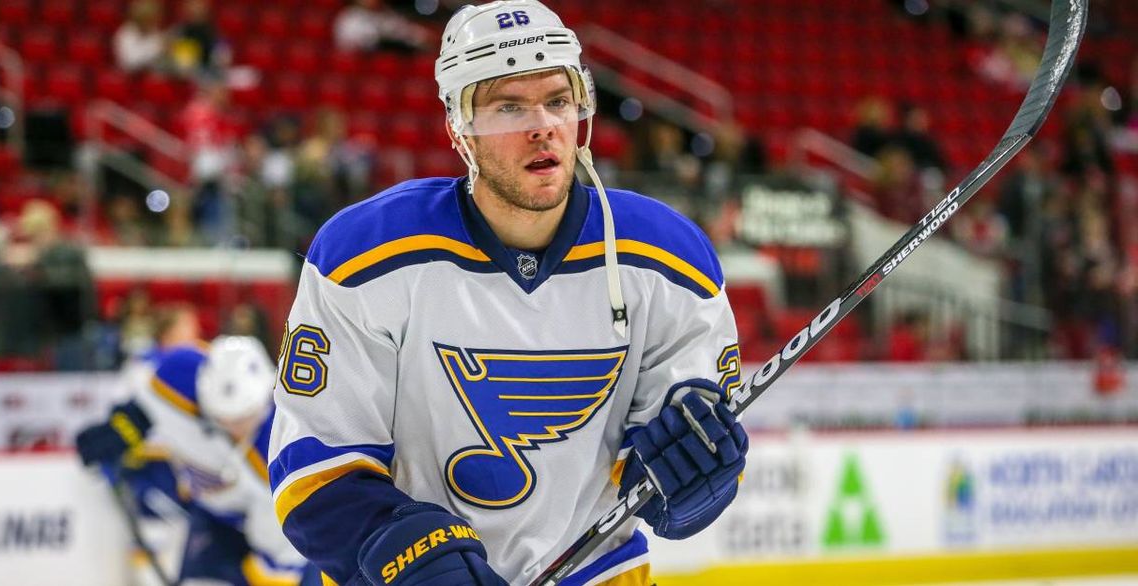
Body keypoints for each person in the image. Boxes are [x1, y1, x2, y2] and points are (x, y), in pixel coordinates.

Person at [268, 2, 750, 584]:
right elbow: (314, 468)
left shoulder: (669, 259)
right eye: (509, 107)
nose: (542, 125)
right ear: (459, 129)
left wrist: (694, 478)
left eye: (558, 100)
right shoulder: (364, 255)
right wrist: (404, 550)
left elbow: (675, 457)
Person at [76, 336, 319, 585]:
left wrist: (266, 576)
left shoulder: (286, 454)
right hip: (213, 517)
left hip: (284, 545)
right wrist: (127, 425)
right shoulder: (178, 377)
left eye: (243, 418)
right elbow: (148, 408)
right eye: (223, 419)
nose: (234, 429)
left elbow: (284, 554)